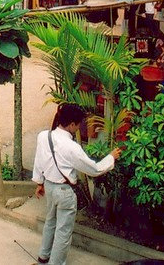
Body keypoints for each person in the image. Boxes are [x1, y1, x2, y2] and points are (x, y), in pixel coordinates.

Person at [31, 103, 122, 265]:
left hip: (50, 187)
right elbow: (94, 169)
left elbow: (39, 161)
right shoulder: (72, 147)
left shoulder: (43, 136)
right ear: (72, 124)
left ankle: (43, 257)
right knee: (63, 232)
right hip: (65, 192)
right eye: (79, 124)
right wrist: (111, 157)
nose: (79, 127)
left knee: (50, 222)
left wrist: (39, 183)